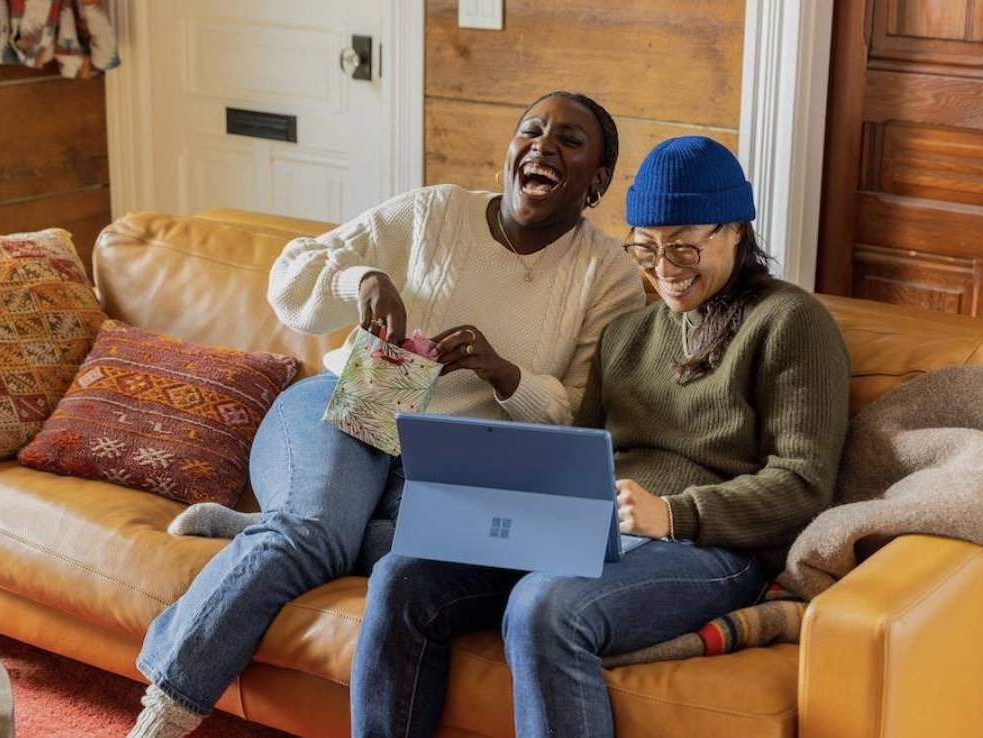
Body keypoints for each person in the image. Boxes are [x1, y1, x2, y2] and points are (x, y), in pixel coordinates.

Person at [126, 91, 645, 738]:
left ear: (596, 181)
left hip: (454, 464)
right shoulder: (435, 212)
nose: (543, 146)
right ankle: (166, 709)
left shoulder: (609, 277)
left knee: (411, 551)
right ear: (510, 152)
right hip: (349, 402)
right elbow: (292, 275)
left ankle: (261, 528)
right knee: (313, 534)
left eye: (569, 141)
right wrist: (363, 280)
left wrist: (504, 374)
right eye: (531, 131)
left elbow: (578, 423)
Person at [350, 136, 851, 737]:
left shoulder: (791, 322)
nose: (664, 271)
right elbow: (577, 454)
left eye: (685, 249)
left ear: (736, 231)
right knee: (404, 576)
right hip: (591, 530)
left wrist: (674, 514)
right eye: (647, 248)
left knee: (546, 608)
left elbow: (803, 484)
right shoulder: (627, 336)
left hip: (712, 548)